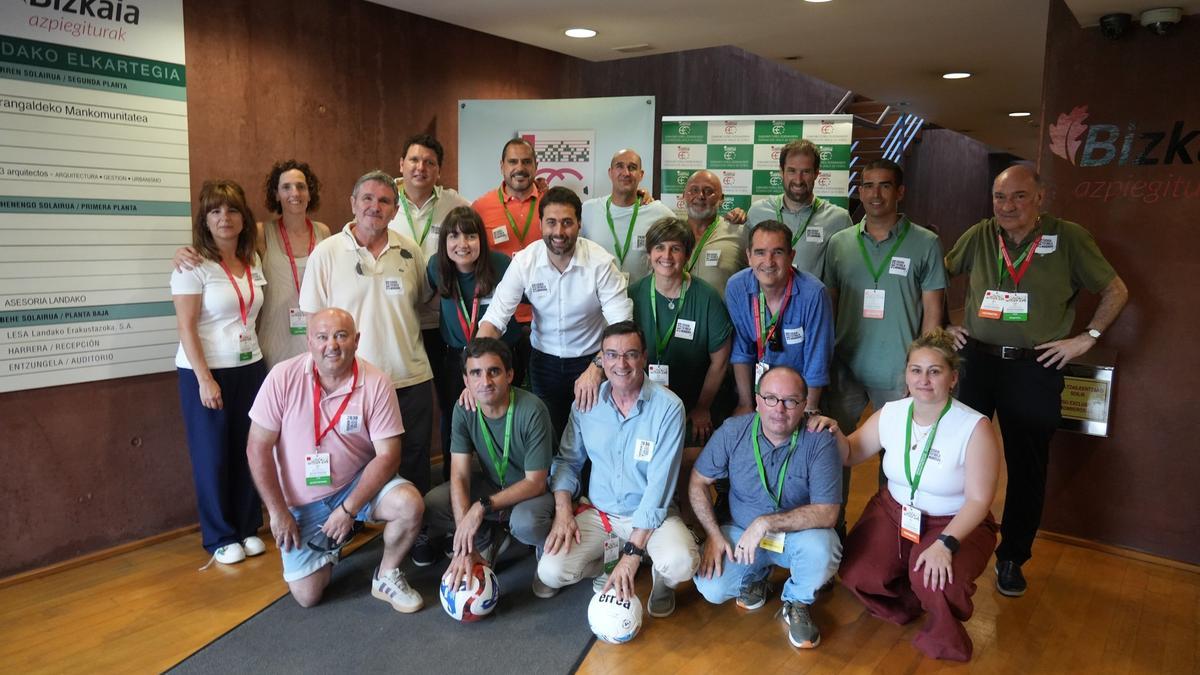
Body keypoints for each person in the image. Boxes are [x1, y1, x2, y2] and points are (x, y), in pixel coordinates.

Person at [944, 165, 1129, 597]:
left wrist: (1087, 339)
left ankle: (1012, 558)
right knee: (958, 458)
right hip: (978, 363)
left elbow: (1116, 290)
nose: (1007, 206)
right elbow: (938, 274)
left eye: (1019, 196)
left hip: (1035, 367)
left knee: (1028, 467)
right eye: (999, 197)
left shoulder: (1069, 238)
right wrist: (942, 323)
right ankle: (954, 543)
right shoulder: (980, 235)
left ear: (1041, 198)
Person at [814, 329, 1000, 661]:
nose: (924, 379)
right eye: (916, 370)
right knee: (858, 572)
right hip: (894, 510)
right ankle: (911, 600)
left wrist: (946, 544)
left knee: (936, 577)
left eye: (935, 371)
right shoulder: (892, 413)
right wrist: (833, 431)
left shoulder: (975, 426)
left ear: (953, 378)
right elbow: (852, 452)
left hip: (954, 521)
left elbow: (979, 501)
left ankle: (942, 626)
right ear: (906, 375)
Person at [246, 308, 426, 612]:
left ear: (356, 341)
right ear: (309, 343)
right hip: (304, 503)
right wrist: (278, 513)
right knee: (308, 596)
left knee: (409, 504)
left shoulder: (376, 382)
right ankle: (332, 545)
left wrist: (348, 509)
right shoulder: (281, 377)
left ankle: (386, 574)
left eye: (341, 336)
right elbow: (257, 449)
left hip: (356, 486)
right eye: (323, 337)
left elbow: (388, 456)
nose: (332, 345)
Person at [537, 322, 700, 617]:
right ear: (601, 359)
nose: (621, 364)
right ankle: (611, 560)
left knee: (681, 562)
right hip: (602, 515)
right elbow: (567, 462)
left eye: (630, 354)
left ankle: (660, 577)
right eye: (611, 355)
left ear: (644, 358)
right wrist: (563, 512)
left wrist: (633, 553)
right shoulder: (586, 403)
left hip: (652, 515)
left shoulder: (668, 407)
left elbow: (659, 488)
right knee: (550, 571)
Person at [822, 159, 945, 530]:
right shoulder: (839, 243)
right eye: (868, 185)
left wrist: (921, 372)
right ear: (859, 191)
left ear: (900, 191)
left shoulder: (926, 243)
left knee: (895, 458)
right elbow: (829, 304)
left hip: (899, 371)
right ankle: (834, 529)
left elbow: (933, 314)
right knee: (834, 448)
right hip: (845, 365)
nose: (875, 194)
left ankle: (886, 532)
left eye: (885, 185)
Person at [299, 170, 436, 496]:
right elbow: (313, 320)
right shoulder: (327, 253)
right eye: (368, 198)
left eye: (385, 200)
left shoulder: (409, 252)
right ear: (353, 203)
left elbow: (421, 302)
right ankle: (350, 525)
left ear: (395, 209)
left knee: (414, 461)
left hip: (409, 379)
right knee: (352, 463)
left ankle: (414, 534)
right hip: (352, 383)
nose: (375, 206)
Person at [690, 366, 842, 649]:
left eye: (790, 401)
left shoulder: (819, 439)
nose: (779, 409)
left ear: (804, 405)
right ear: (757, 400)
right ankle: (758, 576)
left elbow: (828, 513)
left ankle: (796, 599)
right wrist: (713, 533)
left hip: (794, 537)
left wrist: (765, 523)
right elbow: (698, 481)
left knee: (824, 550)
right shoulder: (733, 431)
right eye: (770, 398)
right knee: (712, 588)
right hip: (742, 535)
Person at [475, 186, 633, 441]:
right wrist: (475, 368)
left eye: (567, 223)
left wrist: (597, 368)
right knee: (549, 437)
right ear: (540, 224)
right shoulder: (525, 261)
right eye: (551, 223)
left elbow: (622, 328)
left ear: (579, 224)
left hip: (591, 359)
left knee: (592, 438)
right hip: (543, 364)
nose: (558, 232)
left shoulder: (601, 263)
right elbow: (495, 319)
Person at [170, 179, 268, 565]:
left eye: (232, 210)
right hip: (208, 372)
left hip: (250, 366)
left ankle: (247, 527)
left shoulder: (251, 260)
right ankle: (220, 535)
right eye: (215, 211)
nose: (224, 218)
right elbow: (185, 327)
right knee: (212, 456)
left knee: (249, 450)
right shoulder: (191, 265)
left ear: (244, 218)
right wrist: (204, 379)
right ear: (204, 219)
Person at [426, 338, 556, 597]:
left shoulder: (532, 409)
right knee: (433, 503)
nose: (485, 382)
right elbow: (460, 474)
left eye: (493, 372)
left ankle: (547, 553)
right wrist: (466, 544)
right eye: (476, 373)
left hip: (535, 493)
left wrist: (480, 508)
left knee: (526, 522)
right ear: (466, 380)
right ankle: (488, 539)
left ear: (509, 375)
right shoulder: (464, 409)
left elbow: (536, 482)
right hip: (494, 487)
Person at [173, 161, 331, 368]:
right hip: (273, 337)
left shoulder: (324, 232)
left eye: (301, 186)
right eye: (286, 187)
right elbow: (223, 243)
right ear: (276, 194)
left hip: (317, 335)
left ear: (310, 194)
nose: (295, 193)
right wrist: (181, 253)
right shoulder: (261, 233)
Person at [427, 206, 521, 483]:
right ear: (444, 242)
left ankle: (511, 482)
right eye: (453, 237)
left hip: (500, 358)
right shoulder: (436, 266)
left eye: (470, 236)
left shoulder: (502, 265)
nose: (462, 244)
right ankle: (452, 482)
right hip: (456, 359)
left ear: (482, 238)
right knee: (454, 420)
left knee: (505, 418)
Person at [628, 216, 733, 447]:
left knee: (688, 459)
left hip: (692, 407)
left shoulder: (707, 298)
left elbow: (721, 362)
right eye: (659, 248)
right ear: (649, 254)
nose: (666, 256)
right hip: (639, 403)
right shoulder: (632, 296)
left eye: (675, 249)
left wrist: (702, 408)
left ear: (687, 255)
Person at [388, 134, 471, 418]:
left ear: (438, 170)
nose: (420, 167)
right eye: (413, 160)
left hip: (441, 322)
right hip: (400, 321)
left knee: (452, 402)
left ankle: (453, 463)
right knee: (400, 405)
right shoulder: (385, 203)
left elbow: (471, 251)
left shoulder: (455, 204)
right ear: (401, 164)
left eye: (428, 162)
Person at [726, 221, 834, 417]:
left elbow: (817, 360)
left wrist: (808, 410)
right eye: (760, 252)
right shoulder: (736, 287)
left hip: (798, 395)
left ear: (791, 256)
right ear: (748, 256)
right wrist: (745, 403)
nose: (768, 262)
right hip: (757, 390)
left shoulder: (814, 294)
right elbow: (741, 350)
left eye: (777, 252)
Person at [746, 139, 853, 279]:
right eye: (792, 171)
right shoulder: (757, 212)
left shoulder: (839, 219)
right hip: (765, 300)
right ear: (781, 172)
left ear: (816, 173)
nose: (798, 180)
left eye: (806, 172)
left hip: (814, 300)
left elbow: (845, 275)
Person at [581, 148, 677, 286]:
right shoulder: (588, 210)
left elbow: (682, 242)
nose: (626, 173)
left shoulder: (658, 212)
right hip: (597, 301)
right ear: (610, 172)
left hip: (643, 301)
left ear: (641, 174)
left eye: (632, 168)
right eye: (619, 166)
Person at [681, 170, 748, 298]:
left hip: (723, 317)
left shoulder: (739, 234)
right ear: (684, 195)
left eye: (708, 191)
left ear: (721, 199)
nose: (700, 196)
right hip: (678, 316)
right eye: (694, 190)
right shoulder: (672, 235)